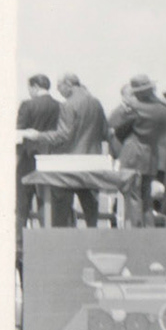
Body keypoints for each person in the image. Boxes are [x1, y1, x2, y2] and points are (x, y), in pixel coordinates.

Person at [40, 73, 110, 226]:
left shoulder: (68, 104)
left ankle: (63, 244)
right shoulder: (96, 102)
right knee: (91, 212)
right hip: (92, 162)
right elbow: (105, 131)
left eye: (60, 88)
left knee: (61, 211)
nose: (59, 92)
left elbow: (63, 135)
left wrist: (40, 136)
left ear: (68, 85)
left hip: (70, 164)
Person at [107, 75, 166, 226]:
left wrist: (125, 104)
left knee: (133, 197)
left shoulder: (135, 108)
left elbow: (113, 121)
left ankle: (135, 231)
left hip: (133, 154)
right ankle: (148, 230)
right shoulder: (163, 108)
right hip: (152, 155)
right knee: (146, 199)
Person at [16, 73, 61, 238]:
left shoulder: (27, 105)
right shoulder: (59, 106)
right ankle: (47, 240)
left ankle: (20, 245)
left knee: (22, 204)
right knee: (46, 202)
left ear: (35, 86)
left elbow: (19, 131)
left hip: (28, 157)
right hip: (50, 158)